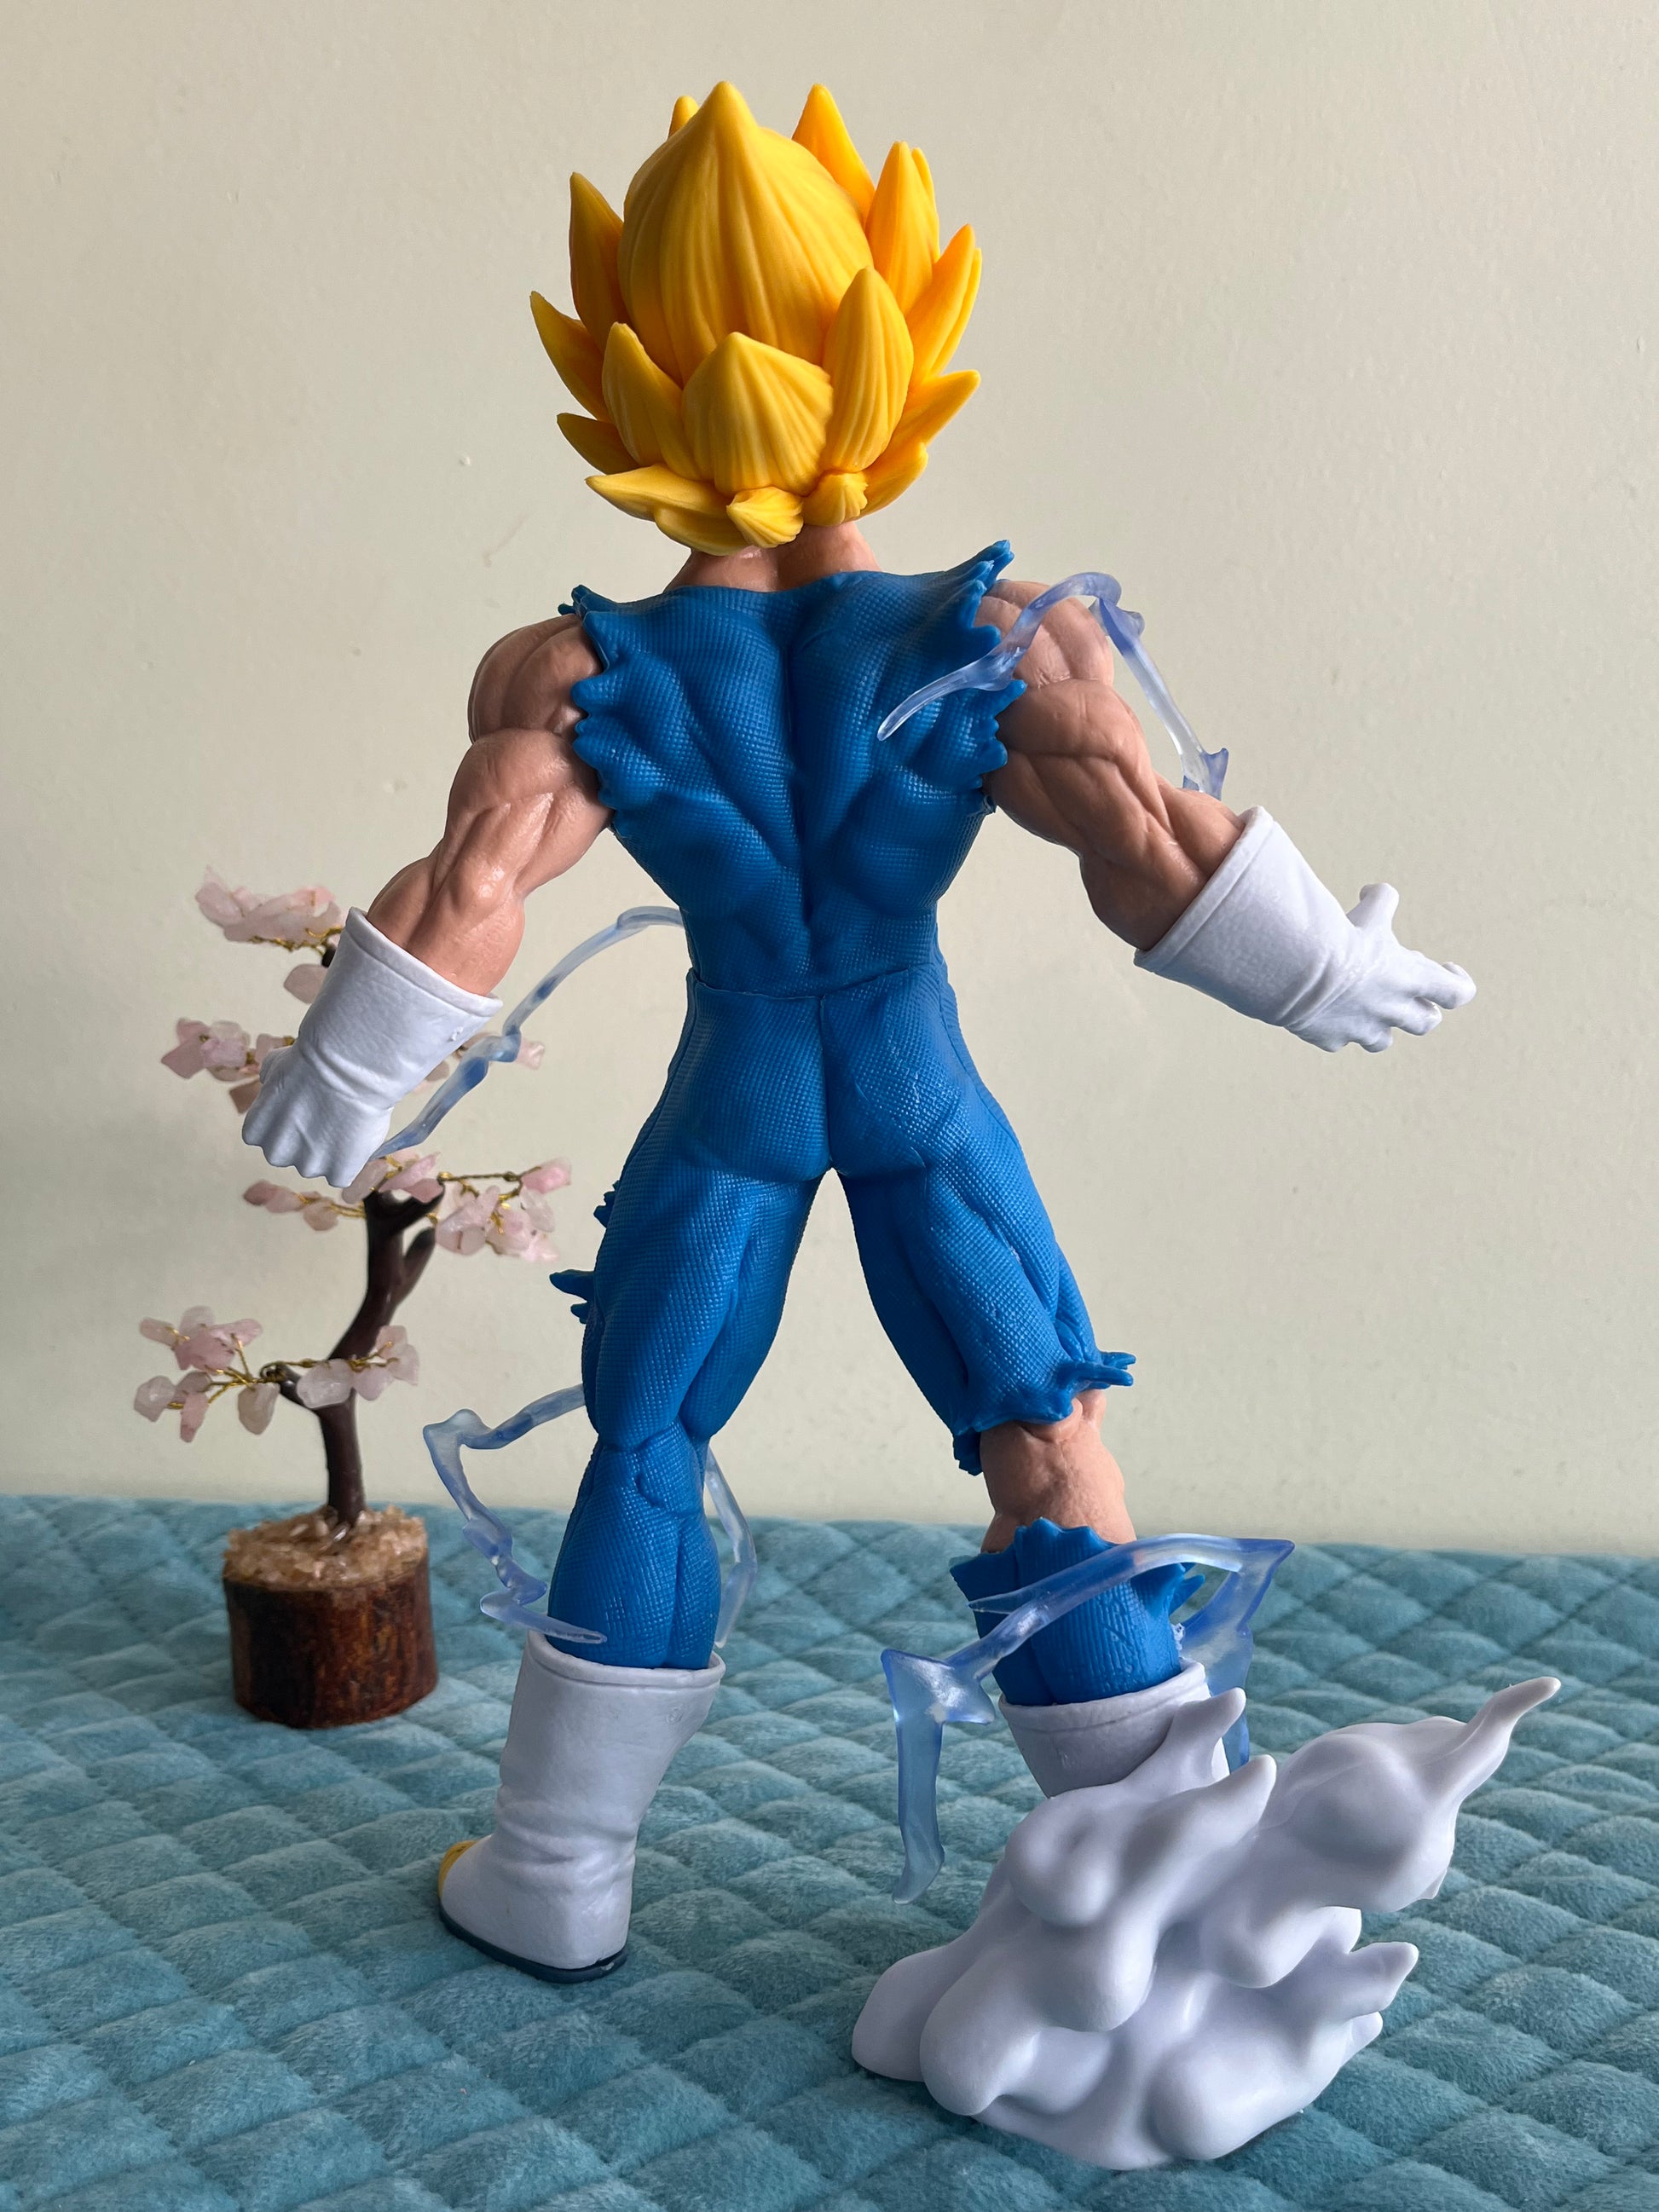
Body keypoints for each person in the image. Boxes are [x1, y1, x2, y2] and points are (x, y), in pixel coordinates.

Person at [244, 82, 1473, 1984]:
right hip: (915, 1087)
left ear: (623, 383)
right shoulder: (994, 636)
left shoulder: (580, 672)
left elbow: (476, 879)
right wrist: (1319, 970)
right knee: (1041, 1433)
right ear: (894, 344)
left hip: (734, 1085)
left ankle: (559, 1864)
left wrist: (344, 1076)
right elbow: (1146, 845)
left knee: (649, 1440)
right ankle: (1156, 1865)